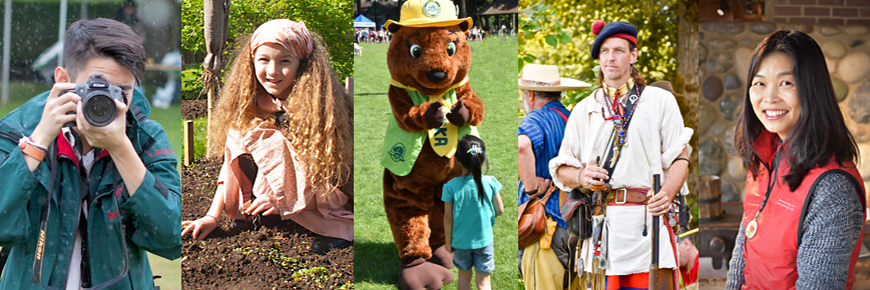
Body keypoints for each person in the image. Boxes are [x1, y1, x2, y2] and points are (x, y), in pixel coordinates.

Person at [0, 18, 181, 289]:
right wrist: (38, 143)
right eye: (97, 86)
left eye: (122, 92)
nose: (109, 101)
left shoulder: (143, 136)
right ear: (63, 80)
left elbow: (173, 237)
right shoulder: (20, 130)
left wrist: (121, 149)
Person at [181, 19, 354, 253]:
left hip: (316, 204)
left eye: (284, 61)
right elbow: (229, 166)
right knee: (243, 131)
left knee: (272, 139)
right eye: (264, 60)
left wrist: (283, 201)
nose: (272, 71)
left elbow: (337, 182)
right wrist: (212, 216)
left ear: (301, 66)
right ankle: (255, 214)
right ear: (251, 63)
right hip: (265, 207)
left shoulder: (321, 109)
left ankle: (311, 222)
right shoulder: (249, 107)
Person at [549, 20, 692, 290]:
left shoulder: (659, 101)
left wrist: (668, 193)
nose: (610, 57)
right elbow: (562, 169)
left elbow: (680, 156)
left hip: (647, 225)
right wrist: (581, 175)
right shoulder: (583, 109)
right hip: (603, 227)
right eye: (604, 51)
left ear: (633, 55)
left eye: (618, 50)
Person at [725, 30, 865, 289]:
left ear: (813, 89)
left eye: (786, 83)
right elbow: (744, 245)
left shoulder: (833, 187)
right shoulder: (764, 159)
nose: (769, 98)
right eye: (759, 83)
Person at [517, 64, 590, 290]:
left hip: (545, 229)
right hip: (578, 227)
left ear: (530, 95)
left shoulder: (538, 118)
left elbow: (521, 145)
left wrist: (531, 189)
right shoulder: (574, 119)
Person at [443, 135, 504, 290]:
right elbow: (500, 210)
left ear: (457, 159)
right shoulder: (490, 182)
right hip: (484, 241)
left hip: (460, 243)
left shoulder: (450, 186)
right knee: (484, 283)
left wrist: (448, 242)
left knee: (463, 279)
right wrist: (487, 217)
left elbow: (448, 217)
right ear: (482, 159)